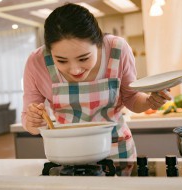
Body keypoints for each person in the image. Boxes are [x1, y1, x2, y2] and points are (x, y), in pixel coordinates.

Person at [22, 3, 172, 161]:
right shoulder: (36, 62)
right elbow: (28, 119)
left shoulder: (117, 49)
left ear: (99, 43)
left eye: (83, 58)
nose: (75, 70)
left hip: (115, 150)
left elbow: (132, 98)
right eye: (61, 60)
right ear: (49, 50)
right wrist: (33, 121)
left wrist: (150, 101)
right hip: (68, 153)